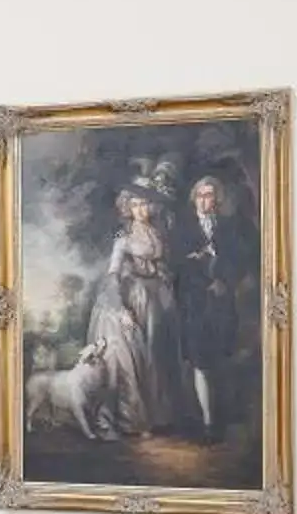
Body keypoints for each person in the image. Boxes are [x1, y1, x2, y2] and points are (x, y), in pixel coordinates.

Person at [81, 185, 186, 436]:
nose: (141, 210)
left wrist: (164, 275)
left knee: (159, 351)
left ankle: (161, 415)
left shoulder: (158, 231)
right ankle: (135, 419)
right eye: (136, 205)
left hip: (158, 295)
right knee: (138, 352)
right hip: (134, 295)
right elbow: (113, 272)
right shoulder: (123, 234)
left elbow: (163, 263)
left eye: (145, 204)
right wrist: (121, 308)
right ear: (128, 208)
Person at [176, 174, 254, 440]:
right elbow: (177, 266)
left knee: (221, 358)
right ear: (193, 198)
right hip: (195, 303)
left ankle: (223, 417)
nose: (204, 200)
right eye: (200, 195)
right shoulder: (183, 228)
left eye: (209, 195)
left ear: (217, 199)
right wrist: (200, 276)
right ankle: (208, 423)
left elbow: (240, 260)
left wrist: (224, 281)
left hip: (222, 303)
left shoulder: (228, 228)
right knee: (200, 362)